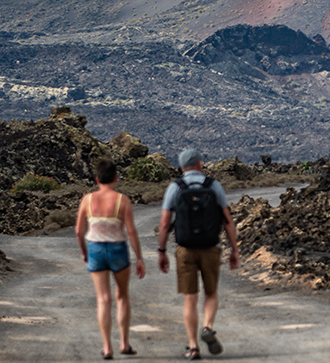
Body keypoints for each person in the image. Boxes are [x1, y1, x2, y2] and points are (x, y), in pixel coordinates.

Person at [157, 148, 239, 360]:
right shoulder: (213, 186)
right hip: (210, 247)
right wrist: (234, 249)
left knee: (189, 299)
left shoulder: (175, 187)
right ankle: (208, 327)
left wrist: (162, 251)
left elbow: (165, 223)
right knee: (211, 293)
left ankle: (193, 347)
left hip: (185, 249)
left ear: (181, 167)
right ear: (200, 164)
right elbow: (227, 220)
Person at [75, 158, 146, 360]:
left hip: (95, 249)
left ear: (97, 179)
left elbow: (79, 231)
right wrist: (139, 257)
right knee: (122, 296)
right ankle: (124, 343)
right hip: (118, 250)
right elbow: (131, 231)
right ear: (115, 178)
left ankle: (107, 347)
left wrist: (84, 252)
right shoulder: (121, 200)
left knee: (103, 299)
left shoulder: (87, 200)